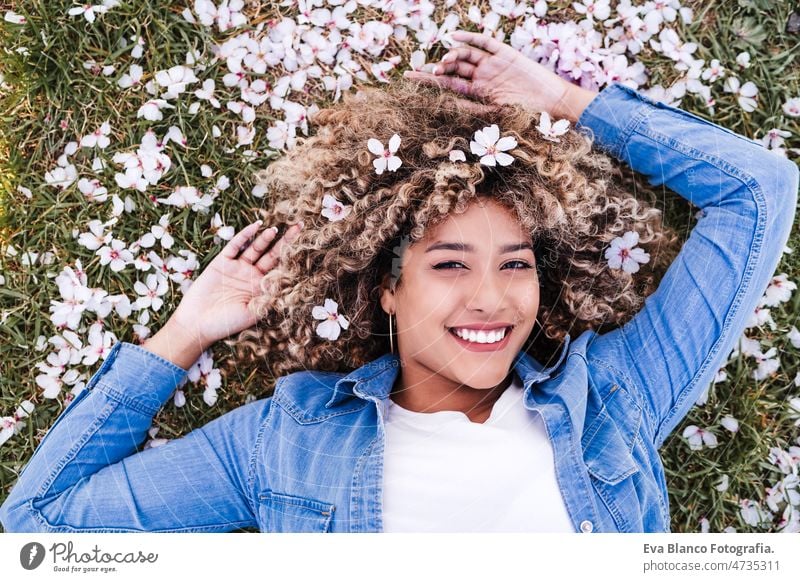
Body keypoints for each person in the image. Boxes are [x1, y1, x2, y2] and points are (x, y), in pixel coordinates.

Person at [1, 30, 797, 533]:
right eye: (450, 263)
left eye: (515, 264)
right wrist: (184, 336)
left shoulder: (616, 400)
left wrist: (562, 100)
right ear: (387, 285)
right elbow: (38, 528)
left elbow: (759, 191)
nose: (491, 298)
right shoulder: (283, 444)